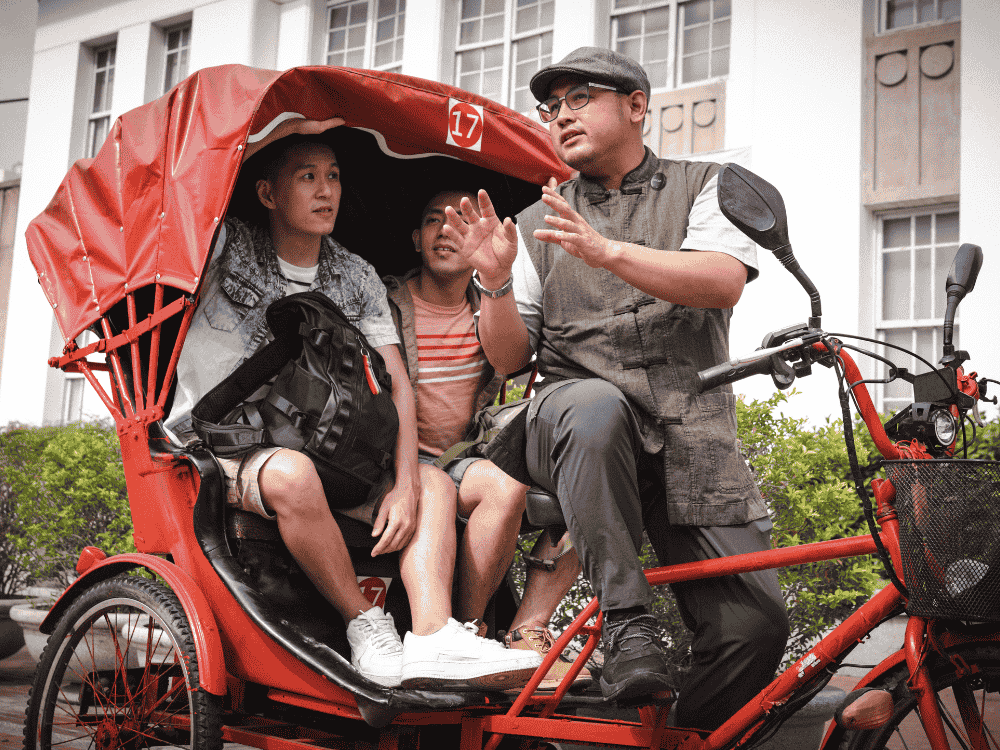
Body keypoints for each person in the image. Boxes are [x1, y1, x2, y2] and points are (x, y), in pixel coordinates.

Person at [442, 48, 790, 729]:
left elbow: (720, 280)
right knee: (596, 405)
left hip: (691, 441)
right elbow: (512, 358)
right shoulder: (537, 221)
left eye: (580, 99)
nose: (561, 116)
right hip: (574, 425)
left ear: (637, 105)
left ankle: (658, 738)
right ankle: (628, 626)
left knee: (754, 630)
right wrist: (493, 283)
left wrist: (608, 253)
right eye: (551, 107)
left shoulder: (708, 185)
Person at [166, 121, 541, 691]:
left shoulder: (353, 273)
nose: (326, 191)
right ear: (268, 193)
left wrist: (406, 481)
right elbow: (178, 203)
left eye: (335, 177)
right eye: (308, 176)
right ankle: (364, 626)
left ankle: (435, 637)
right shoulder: (228, 248)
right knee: (290, 475)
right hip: (224, 445)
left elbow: (396, 381)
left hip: (328, 447)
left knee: (434, 485)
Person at [383, 189, 591, 691]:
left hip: (460, 457)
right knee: (441, 481)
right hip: (391, 459)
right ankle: (447, 634)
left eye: (460, 222)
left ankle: (474, 630)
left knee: (517, 487)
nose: (446, 232)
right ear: (415, 239)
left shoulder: (491, 306)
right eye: (433, 221)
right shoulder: (387, 303)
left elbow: (512, 363)